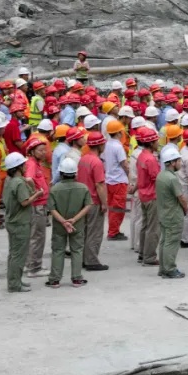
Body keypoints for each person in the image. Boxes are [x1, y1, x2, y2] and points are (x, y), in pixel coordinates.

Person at [47, 157, 92, 288]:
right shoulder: (83, 188)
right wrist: (74, 219)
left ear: (60, 173)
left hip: (59, 225)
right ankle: (77, 278)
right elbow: (88, 206)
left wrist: (63, 221)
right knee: (77, 250)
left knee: (58, 250)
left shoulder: (54, 189)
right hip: (77, 225)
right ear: (75, 173)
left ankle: (54, 280)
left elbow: (52, 209)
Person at [3, 152, 42, 292]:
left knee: (13, 253)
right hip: (20, 223)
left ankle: (15, 280)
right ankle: (14, 284)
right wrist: (37, 194)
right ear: (18, 167)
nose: (26, 166)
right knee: (18, 255)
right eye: (23, 164)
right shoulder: (19, 182)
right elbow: (25, 202)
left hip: (12, 221)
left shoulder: (9, 180)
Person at [77, 131, 108, 271]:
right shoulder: (97, 162)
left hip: (83, 200)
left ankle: (84, 259)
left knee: (85, 231)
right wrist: (104, 203)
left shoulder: (83, 159)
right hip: (94, 200)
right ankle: (91, 261)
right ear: (100, 145)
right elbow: (99, 185)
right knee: (95, 231)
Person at [156, 145, 188, 279]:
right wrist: (186, 208)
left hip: (163, 213)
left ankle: (163, 268)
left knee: (164, 241)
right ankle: (170, 268)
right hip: (173, 215)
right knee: (172, 242)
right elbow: (180, 197)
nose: (180, 163)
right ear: (172, 162)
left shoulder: (161, 176)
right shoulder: (172, 179)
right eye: (179, 161)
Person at [23, 137, 51, 277]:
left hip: (39, 205)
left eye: (44, 149)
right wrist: (36, 192)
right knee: (37, 237)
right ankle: (34, 268)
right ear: (32, 152)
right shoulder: (32, 164)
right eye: (40, 150)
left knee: (35, 236)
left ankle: (30, 264)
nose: (43, 152)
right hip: (37, 206)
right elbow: (28, 179)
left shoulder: (35, 163)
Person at [134, 126, 161, 267]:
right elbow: (157, 178)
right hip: (152, 196)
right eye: (156, 141)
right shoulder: (150, 159)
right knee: (153, 228)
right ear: (151, 143)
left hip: (143, 195)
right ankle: (149, 256)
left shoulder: (141, 155)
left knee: (145, 226)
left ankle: (142, 254)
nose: (158, 143)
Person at [103, 119, 129, 241]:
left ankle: (113, 230)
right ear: (118, 133)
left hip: (109, 180)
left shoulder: (107, 144)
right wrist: (130, 175)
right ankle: (113, 232)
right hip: (119, 180)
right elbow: (124, 164)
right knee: (118, 208)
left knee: (112, 207)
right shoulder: (118, 146)